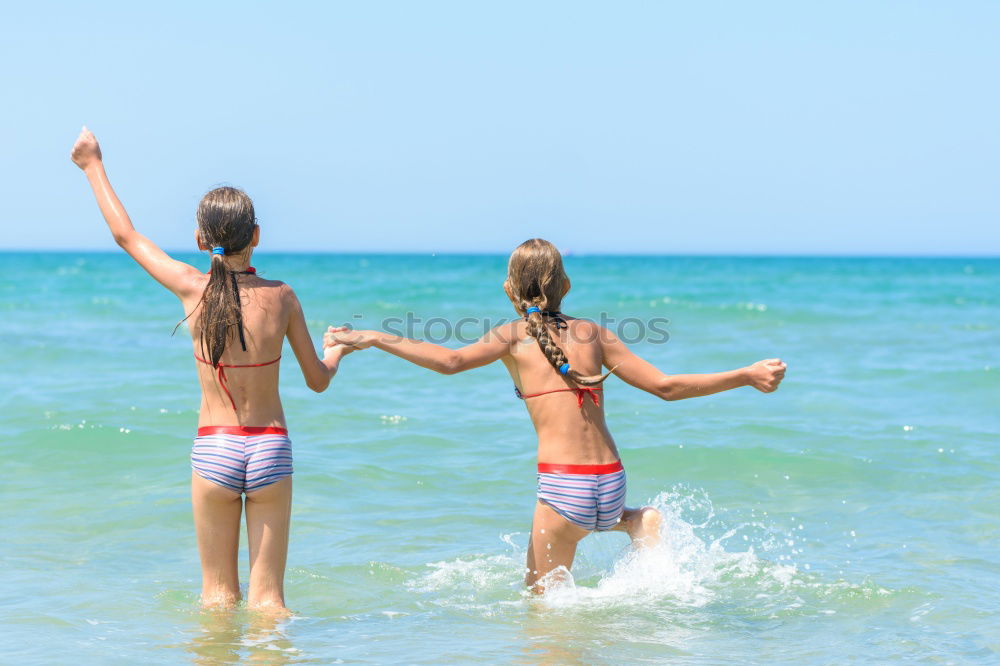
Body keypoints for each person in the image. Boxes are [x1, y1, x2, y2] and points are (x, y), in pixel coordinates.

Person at [324, 238, 786, 592]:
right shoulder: (595, 334)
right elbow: (665, 388)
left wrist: (370, 337)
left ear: (508, 289)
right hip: (611, 479)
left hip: (565, 487)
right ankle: (635, 521)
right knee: (604, 531)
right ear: (566, 287)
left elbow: (450, 362)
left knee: (543, 612)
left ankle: (630, 528)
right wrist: (744, 374)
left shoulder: (511, 336)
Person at [70, 127, 354, 612]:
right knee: (269, 604)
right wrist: (338, 352)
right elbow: (317, 381)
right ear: (257, 236)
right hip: (269, 448)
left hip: (215, 448)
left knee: (217, 599)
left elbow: (126, 236)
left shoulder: (190, 288)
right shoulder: (282, 296)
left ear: (200, 239)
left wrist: (93, 165)